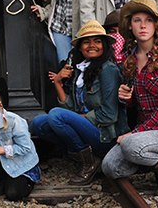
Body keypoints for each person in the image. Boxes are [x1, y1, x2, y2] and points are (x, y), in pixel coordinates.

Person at [101, 0, 158, 197]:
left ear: (156, 25)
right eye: (137, 20)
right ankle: (152, 158)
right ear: (129, 26)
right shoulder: (130, 58)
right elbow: (135, 103)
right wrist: (127, 98)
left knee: (130, 145)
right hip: (146, 133)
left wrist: (135, 134)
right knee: (110, 167)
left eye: (148, 20)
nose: (143, 25)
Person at [30, 20, 128, 185]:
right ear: (80, 47)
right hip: (86, 128)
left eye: (97, 41)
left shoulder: (108, 70)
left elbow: (109, 116)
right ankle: (81, 153)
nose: (92, 45)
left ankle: (89, 162)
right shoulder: (80, 69)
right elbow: (69, 108)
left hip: (105, 135)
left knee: (55, 115)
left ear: (104, 45)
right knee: (38, 124)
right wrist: (58, 82)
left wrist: (78, 119)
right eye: (86, 41)